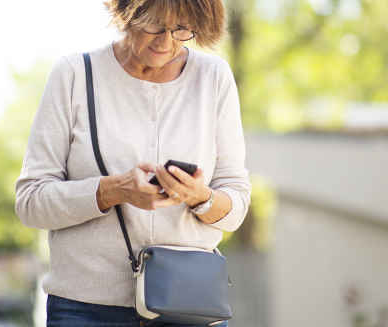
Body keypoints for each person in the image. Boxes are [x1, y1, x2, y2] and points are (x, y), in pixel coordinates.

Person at [15, 0, 252, 326]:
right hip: (85, 310)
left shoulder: (214, 78)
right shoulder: (74, 75)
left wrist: (200, 196)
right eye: (154, 24)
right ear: (126, 12)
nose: (166, 42)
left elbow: (236, 205)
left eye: (182, 29)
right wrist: (114, 190)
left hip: (190, 306)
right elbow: (31, 202)